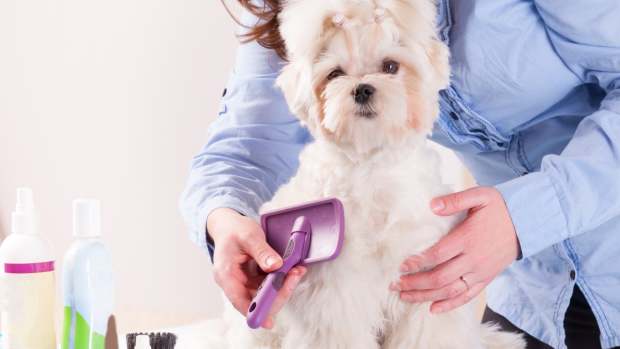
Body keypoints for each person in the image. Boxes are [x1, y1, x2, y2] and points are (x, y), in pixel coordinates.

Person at [180, 1, 620, 348]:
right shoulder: (299, 12)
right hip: (530, 298)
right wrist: (225, 220)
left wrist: (524, 218)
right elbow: (249, 144)